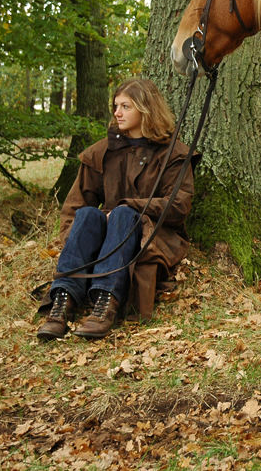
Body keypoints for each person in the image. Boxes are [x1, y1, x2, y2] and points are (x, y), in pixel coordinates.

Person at [36, 78, 195, 340]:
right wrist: (73, 241)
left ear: (146, 109)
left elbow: (179, 204)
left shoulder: (173, 153)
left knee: (122, 214)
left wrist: (129, 206)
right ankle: (63, 301)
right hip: (107, 236)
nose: (117, 113)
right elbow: (75, 205)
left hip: (152, 234)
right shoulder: (103, 151)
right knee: (88, 214)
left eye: (125, 106)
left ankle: (105, 303)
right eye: (115, 106)